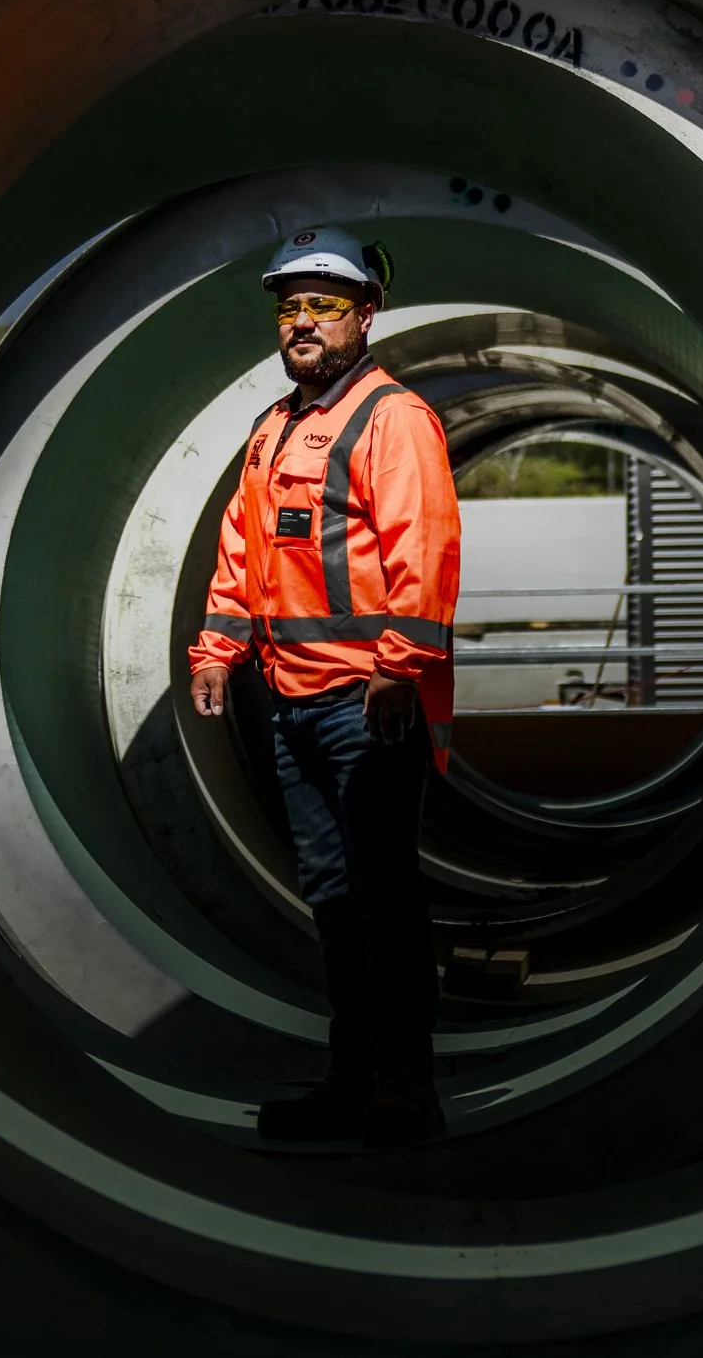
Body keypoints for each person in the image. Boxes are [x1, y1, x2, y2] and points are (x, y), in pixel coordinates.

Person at [187, 225, 461, 1148]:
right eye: (290, 304)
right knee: (335, 898)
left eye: (324, 303)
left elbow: (422, 554)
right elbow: (242, 549)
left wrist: (398, 672)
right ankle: (350, 1074)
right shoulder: (274, 429)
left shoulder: (394, 419)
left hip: (368, 707)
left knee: (383, 896)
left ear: (365, 315)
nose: (302, 321)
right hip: (292, 700)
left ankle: (404, 1083)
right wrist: (216, 650)